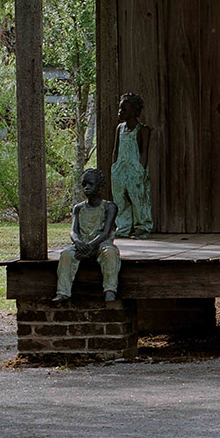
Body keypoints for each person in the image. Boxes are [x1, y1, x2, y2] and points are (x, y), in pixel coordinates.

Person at [54, 168, 120, 302]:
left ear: (99, 186)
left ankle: (110, 290)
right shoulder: (78, 208)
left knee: (111, 254)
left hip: (101, 244)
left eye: (90, 184)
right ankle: (63, 292)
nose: (86, 188)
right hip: (83, 244)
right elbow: (74, 230)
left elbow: (106, 232)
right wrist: (77, 242)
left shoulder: (109, 207)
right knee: (66, 255)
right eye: (84, 185)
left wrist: (90, 247)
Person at [113, 92, 153, 237]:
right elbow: (116, 150)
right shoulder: (120, 129)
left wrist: (140, 169)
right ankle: (123, 226)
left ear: (134, 111)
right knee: (120, 199)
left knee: (138, 198)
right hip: (120, 169)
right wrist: (115, 166)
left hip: (135, 169)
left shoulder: (142, 130)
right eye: (120, 109)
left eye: (124, 110)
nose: (120, 112)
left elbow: (144, 152)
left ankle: (143, 225)